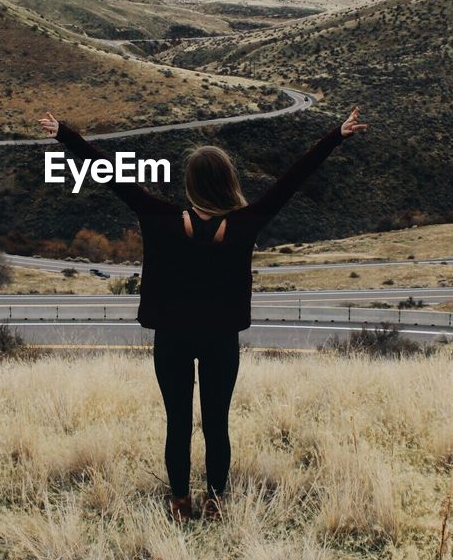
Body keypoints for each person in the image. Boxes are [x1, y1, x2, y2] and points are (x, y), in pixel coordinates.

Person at [37, 107, 367, 522]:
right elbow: (292, 180)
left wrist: (65, 133)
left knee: (177, 422)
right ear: (229, 183)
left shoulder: (159, 218)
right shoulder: (246, 224)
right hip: (220, 339)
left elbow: (109, 172)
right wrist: (336, 135)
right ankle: (214, 501)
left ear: (190, 184)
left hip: (172, 338)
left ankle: (179, 503)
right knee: (216, 423)